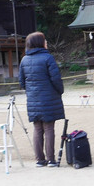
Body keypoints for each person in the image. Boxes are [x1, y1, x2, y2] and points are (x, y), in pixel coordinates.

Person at [18, 31, 65, 168]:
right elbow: (56, 79)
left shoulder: (24, 60)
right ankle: (51, 160)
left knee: (37, 129)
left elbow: (21, 82)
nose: (46, 43)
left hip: (33, 100)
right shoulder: (48, 58)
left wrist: (32, 91)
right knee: (49, 128)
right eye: (45, 41)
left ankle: (39, 160)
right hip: (48, 98)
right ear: (40, 43)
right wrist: (60, 91)